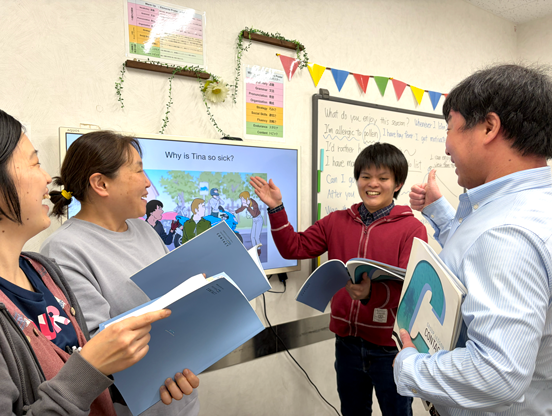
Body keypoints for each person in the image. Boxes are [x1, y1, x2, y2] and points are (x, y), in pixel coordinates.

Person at [0, 110, 198, 415]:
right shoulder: (64, 250)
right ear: (101, 184)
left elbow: (82, 359)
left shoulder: (41, 270)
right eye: (35, 163)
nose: (47, 178)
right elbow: (96, 357)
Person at [394, 64, 552, 416]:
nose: (446, 145)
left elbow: (498, 373)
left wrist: (408, 367)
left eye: (450, 127)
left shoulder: (506, 232)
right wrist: (439, 212)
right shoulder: (527, 207)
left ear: (489, 127)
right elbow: (477, 260)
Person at [250, 143, 427, 416]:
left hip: (390, 348)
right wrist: (276, 208)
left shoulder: (411, 228)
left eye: (383, 178)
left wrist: (372, 294)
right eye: (365, 176)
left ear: (398, 184)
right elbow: (293, 248)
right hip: (347, 345)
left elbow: (410, 292)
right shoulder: (336, 221)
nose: (372, 184)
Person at [235, 191, 263, 257]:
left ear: (246, 198)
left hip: (258, 219)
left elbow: (254, 214)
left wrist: (248, 206)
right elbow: (241, 208)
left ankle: (258, 250)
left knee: (256, 237)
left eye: (242, 199)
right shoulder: (246, 203)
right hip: (254, 220)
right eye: (241, 199)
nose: (242, 201)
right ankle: (254, 250)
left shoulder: (254, 203)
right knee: (252, 236)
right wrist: (235, 211)